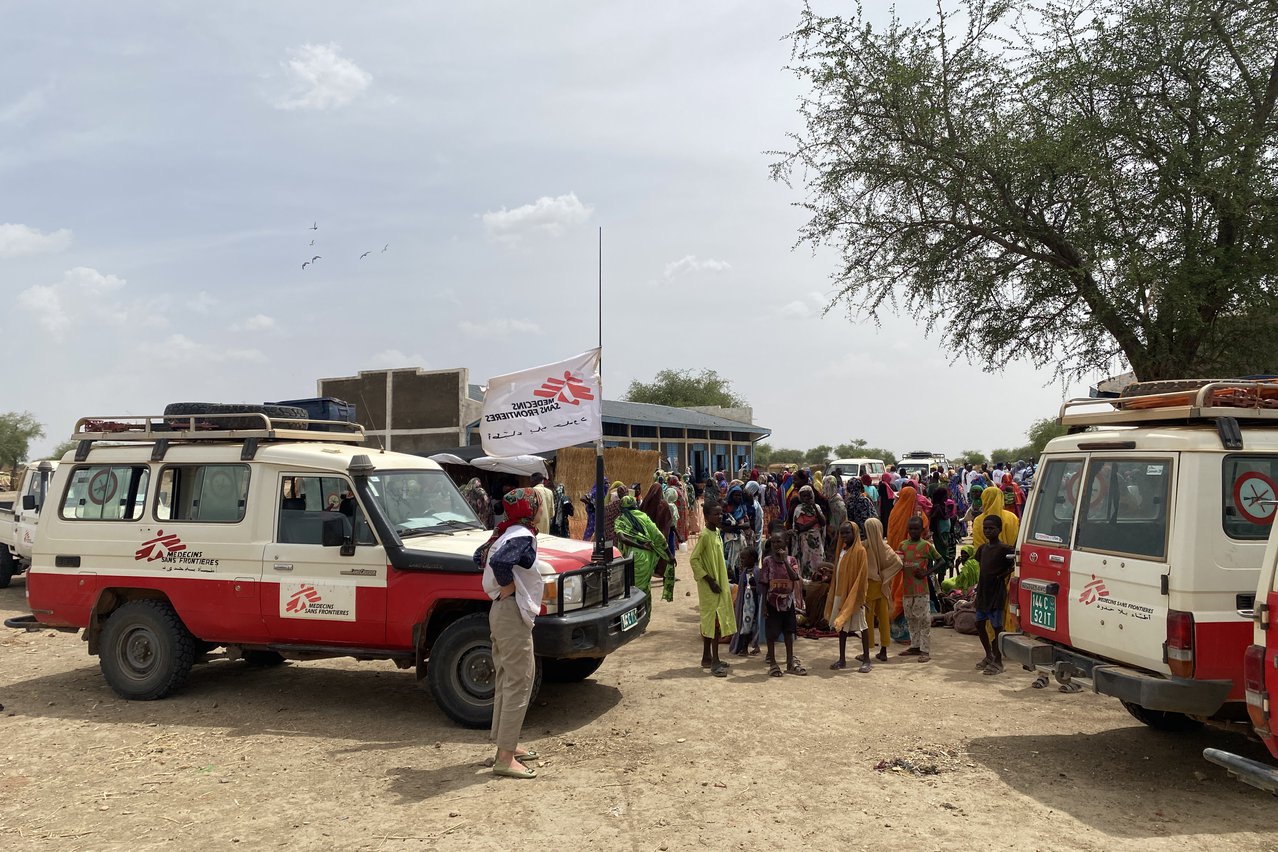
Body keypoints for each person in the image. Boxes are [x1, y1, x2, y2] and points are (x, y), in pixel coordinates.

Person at [475, 488, 543, 779]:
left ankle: (505, 746)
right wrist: (509, 585)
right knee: (519, 680)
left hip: (500, 613)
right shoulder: (521, 537)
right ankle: (505, 757)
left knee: (506, 678)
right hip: (511, 612)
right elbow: (501, 562)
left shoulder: (504, 533)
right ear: (531, 509)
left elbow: (479, 557)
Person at [691, 502, 736, 677]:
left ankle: (706, 657)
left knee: (712, 621)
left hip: (719, 582)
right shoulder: (704, 536)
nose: (720, 517)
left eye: (721, 514)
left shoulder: (716, 532)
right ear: (707, 516)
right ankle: (715, 661)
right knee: (714, 622)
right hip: (710, 586)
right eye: (716, 514)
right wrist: (709, 579)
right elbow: (694, 559)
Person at [759, 529, 806, 677]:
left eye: (778, 541)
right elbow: (764, 584)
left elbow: (794, 577)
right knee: (771, 634)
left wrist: (784, 560)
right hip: (772, 602)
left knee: (788, 632)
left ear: (786, 542)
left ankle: (789, 662)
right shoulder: (767, 561)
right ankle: (773, 663)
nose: (775, 544)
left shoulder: (791, 560)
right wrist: (764, 605)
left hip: (788, 602)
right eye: (772, 542)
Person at [827, 521, 872, 672]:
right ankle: (842, 659)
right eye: (842, 533)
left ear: (855, 533)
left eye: (847, 532)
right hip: (841, 594)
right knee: (842, 628)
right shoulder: (842, 550)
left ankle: (867, 659)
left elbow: (862, 576)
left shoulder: (860, 551)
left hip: (854, 596)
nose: (844, 536)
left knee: (862, 627)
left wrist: (859, 597)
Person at [973, 515, 1016, 674]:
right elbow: (982, 569)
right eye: (985, 528)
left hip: (996, 593)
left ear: (999, 529)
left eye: (991, 528)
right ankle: (988, 655)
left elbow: (1015, 563)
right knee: (979, 624)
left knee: (997, 626)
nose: (988, 531)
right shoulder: (983, 549)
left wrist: (1003, 575)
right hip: (983, 592)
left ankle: (998, 661)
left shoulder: (1005, 549)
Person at [614, 494, 674, 603]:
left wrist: (639, 546)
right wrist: (669, 554)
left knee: (633, 588)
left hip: (631, 557)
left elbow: (622, 538)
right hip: (647, 555)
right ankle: (644, 611)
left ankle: (635, 612)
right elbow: (658, 536)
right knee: (645, 586)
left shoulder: (620, 520)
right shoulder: (643, 517)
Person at [898, 515, 942, 663]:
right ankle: (914, 645)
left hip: (921, 589)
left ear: (922, 530)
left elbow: (941, 561)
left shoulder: (926, 546)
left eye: (916, 529)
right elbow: (898, 563)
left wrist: (927, 572)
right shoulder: (902, 545)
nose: (913, 531)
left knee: (923, 619)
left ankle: (925, 649)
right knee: (910, 618)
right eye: (911, 529)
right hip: (907, 589)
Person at [862, 517, 900, 661]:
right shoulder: (885, 547)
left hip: (870, 586)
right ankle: (883, 650)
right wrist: (884, 575)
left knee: (867, 619)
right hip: (882, 587)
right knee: (884, 619)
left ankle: (867, 649)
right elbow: (898, 563)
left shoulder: (864, 546)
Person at [790, 485, 826, 578]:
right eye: (804, 496)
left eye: (809, 496)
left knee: (819, 562)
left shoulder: (816, 507)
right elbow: (801, 528)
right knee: (807, 563)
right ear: (800, 497)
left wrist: (814, 507)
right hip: (805, 541)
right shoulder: (799, 509)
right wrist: (814, 520)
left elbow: (823, 522)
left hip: (817, 541)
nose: (807, 498)